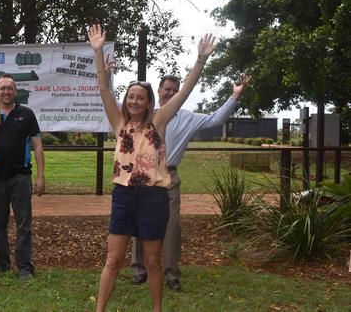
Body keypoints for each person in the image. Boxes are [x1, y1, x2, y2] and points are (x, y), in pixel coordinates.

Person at [88, 24, 216, 312]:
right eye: (130, 96)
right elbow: (103, 88)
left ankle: (157, 309)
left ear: (148, 103)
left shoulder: (158, 123)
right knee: (113, 260)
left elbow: (183, 93)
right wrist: (98, 52)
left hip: (153, 198)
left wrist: (201, 60)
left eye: (140, 98)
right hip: (123, 196)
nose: (134, 100)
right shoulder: (119, 124)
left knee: (153, 261)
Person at [131, 74, 251, 292]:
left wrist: (235, 96)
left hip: (169, 178)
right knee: (141, 223)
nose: (170, 93)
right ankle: (139, 270)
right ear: (158, 91)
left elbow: (216, 119)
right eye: (166, 89)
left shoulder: (188, 118)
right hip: (144, 177)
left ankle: (171, 273)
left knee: (172, 227)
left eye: (174, 90)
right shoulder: (146, 115)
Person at [0, 74, 45, 281]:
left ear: (15, 91)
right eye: (1, 88)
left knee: (24, 225)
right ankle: (2, 262)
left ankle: (24, 268)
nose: (5, 92)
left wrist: (41, 176)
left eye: (9, 88)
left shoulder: (27, 114)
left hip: (21, 178)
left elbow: (38, 146)